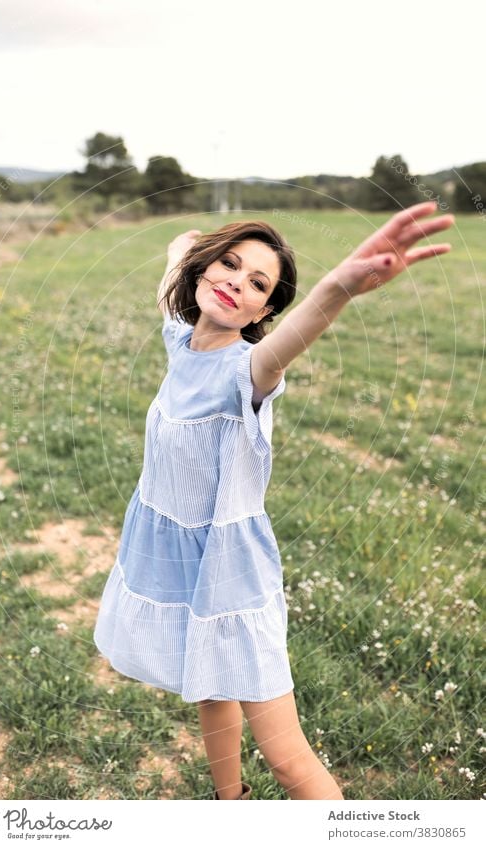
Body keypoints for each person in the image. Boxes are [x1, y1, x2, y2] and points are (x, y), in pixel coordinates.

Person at [94, 201, 454, 800]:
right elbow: (178, 255)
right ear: (203, 270)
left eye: (258, 283)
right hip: (182, 565)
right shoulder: (180, 338)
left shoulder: (249, 370)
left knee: (288, 758)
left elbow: (287, 340)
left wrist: (339, 286)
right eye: (229, 265)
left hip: (230, 577)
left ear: (264, 310)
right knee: (210, 689)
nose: (237, 281)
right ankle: (230, 804)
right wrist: (192, 253)